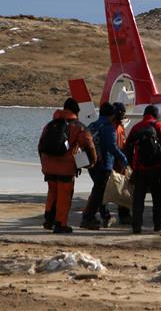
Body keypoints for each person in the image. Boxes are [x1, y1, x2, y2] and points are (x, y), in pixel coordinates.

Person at [38, 97, 97, 234]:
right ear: (76, 111)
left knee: (52, 192)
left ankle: (48, 220)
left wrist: (43, 164)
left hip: (48, 166)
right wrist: (92, 162)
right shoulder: (78, 126)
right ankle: (60, 224)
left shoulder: (50, 125)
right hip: (65, 167)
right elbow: (88, 146)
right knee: (64, 196)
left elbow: (40, 145)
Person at [80, 102, 129, 230]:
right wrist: (123, 158)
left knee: (98, 191)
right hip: (104, 164)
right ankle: (88, 218)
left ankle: (98, 217)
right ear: (111, 114)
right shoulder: (108, 127)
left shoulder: (92, 125)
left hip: (92, 163)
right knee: (99, 193)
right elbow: (111, 146)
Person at [124, 104, 161, 234]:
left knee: (138, 199)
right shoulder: (159, 126)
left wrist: (132, 165)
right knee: (157, 198)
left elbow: (127, 147)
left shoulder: (136, 127)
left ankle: (137, 226)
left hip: (140, 169)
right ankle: (158, 224)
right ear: (156, 115)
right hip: (156, 169)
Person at [111, 102, 132, 225]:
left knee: (123, 190)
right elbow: (115, 146)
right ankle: (121, 215)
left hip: (119, 165)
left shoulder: (119, 127)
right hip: (115, 164)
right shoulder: (113, 127)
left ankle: (123, 214)